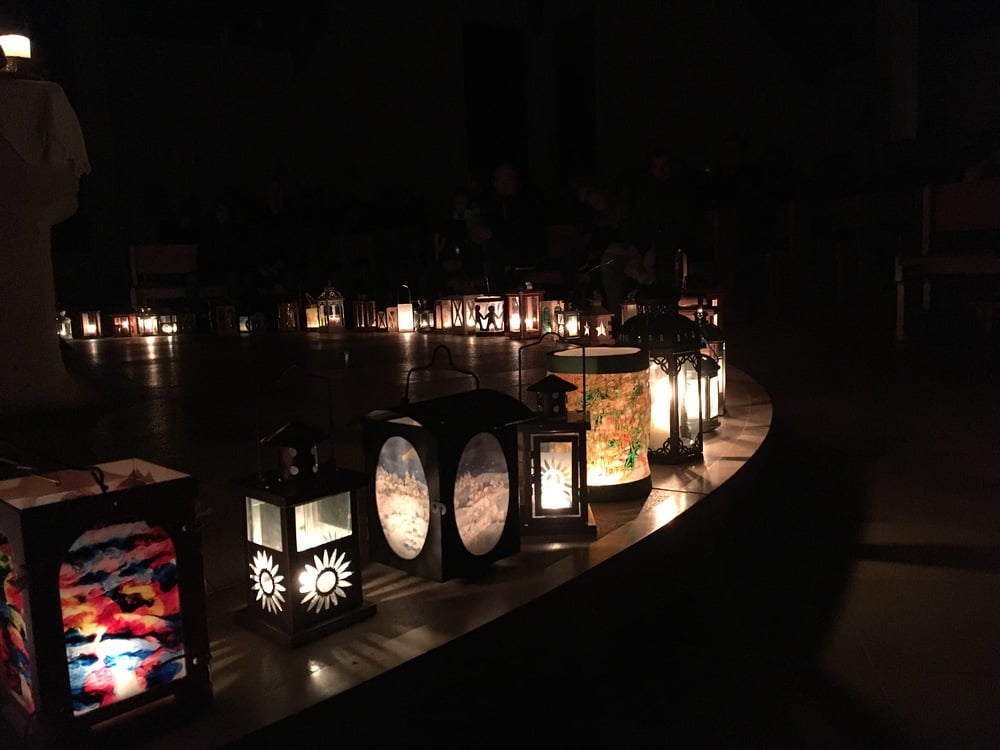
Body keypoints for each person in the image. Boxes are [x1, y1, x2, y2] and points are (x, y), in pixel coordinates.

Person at [470, 163, 544, 291]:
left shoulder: (527, 202)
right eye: (500, 179)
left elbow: (525, 230)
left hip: (522, 253)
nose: (504, 182)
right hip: (496, 255)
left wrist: (494, 233)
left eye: (508, 178)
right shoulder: (492, 205)